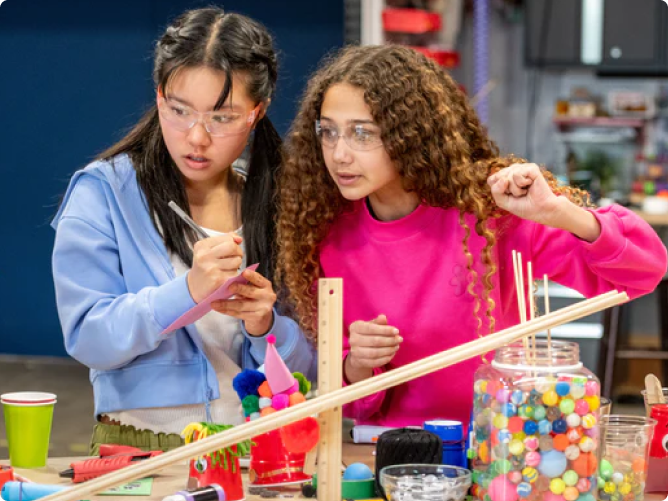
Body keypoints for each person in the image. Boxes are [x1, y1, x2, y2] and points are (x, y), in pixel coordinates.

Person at [276, 45, 667, 428]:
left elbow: (645, 270)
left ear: (410, 133)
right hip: (397, 452)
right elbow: (352, 406)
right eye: (328, 132)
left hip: (506, 444)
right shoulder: (326, 230)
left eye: (362, 133)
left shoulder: (490, 212)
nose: (339, 153)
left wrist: (560, 213)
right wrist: (357, 364)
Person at [51, 7, 314, 453]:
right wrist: (188, 292)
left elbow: (308, 366)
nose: (197, 137)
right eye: (179, 110)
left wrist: (264, 325)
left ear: (257, 112)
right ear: (158, 98)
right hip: (138, 448)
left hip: (256, 447)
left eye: (223, 117)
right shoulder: (104, 193)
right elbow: (89, 338)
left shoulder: (278, 201)